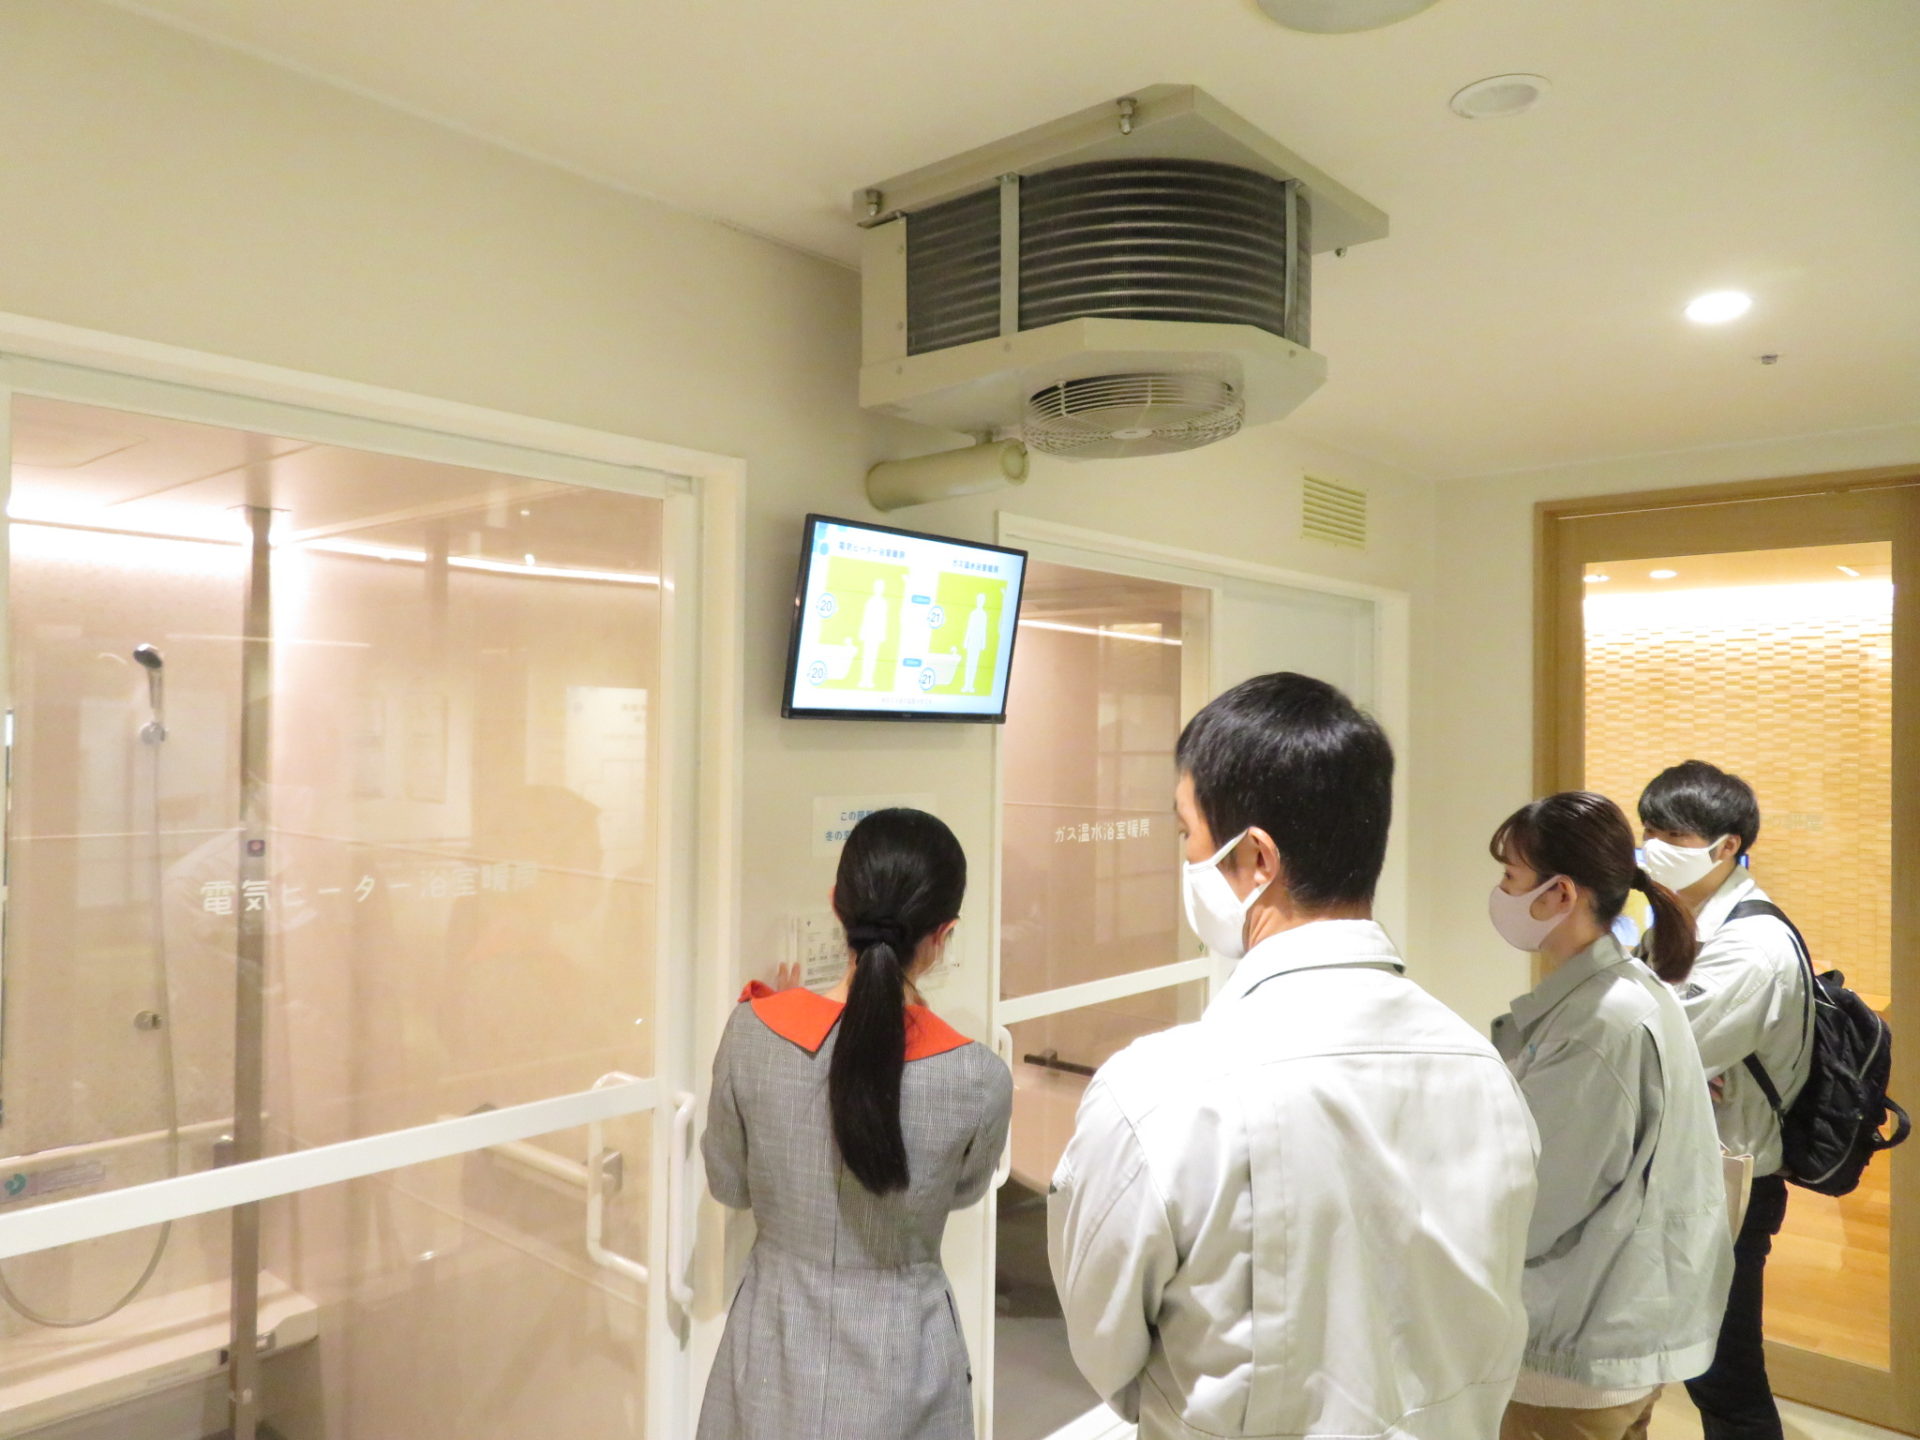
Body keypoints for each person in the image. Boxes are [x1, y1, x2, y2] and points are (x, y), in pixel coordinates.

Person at [1047, 672, 1539, 1440]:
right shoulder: (1484, 1071)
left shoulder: (1162, 1094)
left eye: (1186, 834)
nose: (1185, 857)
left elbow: (1107, 1349)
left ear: (1256, 860)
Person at [697, 808, 1012, 1440]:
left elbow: (729, 1185)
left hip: (769, 1353)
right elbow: (962, 1192)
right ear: (944, 934)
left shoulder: (751, 1034)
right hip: (908, 1363)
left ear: (836, 905)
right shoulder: (979, 1077)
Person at [1488, 792, 1733, 1440]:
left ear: (1559, 894)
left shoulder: (1600, 1025)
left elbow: (1538, 1204)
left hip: (1573, 1355)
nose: (1500, 893)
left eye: (1510, 877)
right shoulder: (1615, 996)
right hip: (1607, 1330)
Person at [1637, 761, 1811, 1440]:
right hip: (1688, 1167)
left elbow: (1652, 1052)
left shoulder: (1751, 946)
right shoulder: (1682, 920)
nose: (1653, 848)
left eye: (1671, 836)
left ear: (1727, 846)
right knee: (1694, 1358)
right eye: (1648, 831)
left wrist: (1672, 1060)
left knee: (1723, 1373)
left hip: (1731, 1179)